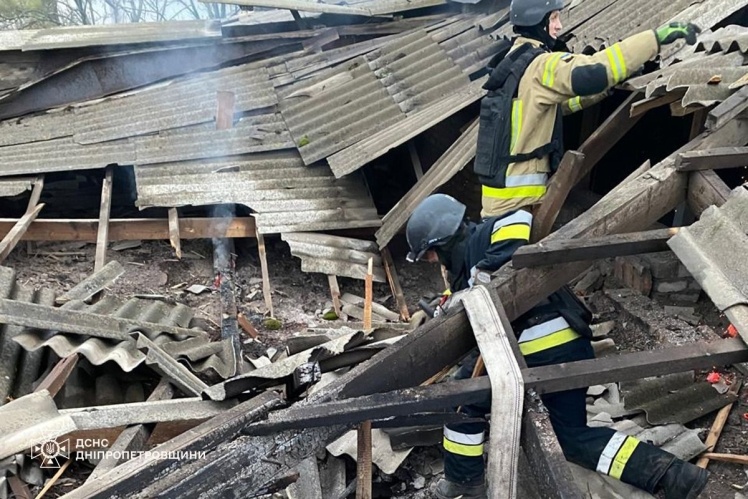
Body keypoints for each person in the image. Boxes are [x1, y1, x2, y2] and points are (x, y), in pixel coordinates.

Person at [405, 193, 709, 499]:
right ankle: (673, 475)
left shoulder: (487, 233)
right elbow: (467, 298)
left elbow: (520, 218)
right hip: (566, 350)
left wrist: (483, 276)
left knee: (460, 400)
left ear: (444, 240)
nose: (432, 261)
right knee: (572, 437)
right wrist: (448, 303)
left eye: (430, 254)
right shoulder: (464, 267)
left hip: (536, 348)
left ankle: (464, 481)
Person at [474, 0, 701, 224]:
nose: (559, 26)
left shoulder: (514, 63)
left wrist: (606, 90)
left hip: (497, 205)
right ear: (537, 21)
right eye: (553, 18)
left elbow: (558, 107)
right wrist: (655, 39)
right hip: (515, 210)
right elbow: (594, 71)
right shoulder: (541, 66)